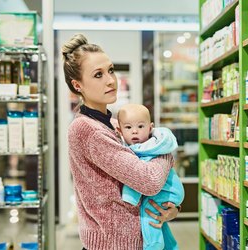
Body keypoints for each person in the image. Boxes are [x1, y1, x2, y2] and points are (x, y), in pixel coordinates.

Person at [61, 34, 180, 250]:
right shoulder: (89, 130)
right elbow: (150, 181)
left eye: (111, 70)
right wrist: (164, 148)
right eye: (98, 74)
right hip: (113, 244)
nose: (110, 80)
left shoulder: (112, 123)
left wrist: (171, 207)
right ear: (77, 85)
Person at [117, 104, 185, 250]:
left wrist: (130, 198)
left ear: (150, 127)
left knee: (148, 213)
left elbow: (139, 177)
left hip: (168, 191)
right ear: (120, 130)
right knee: (160, 220)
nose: (134, 131)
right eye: (128, 127)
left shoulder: (147, 148)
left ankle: (153, 245)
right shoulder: (149, 146)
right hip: (167, 190)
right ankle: (170, 246)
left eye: (140, 126)